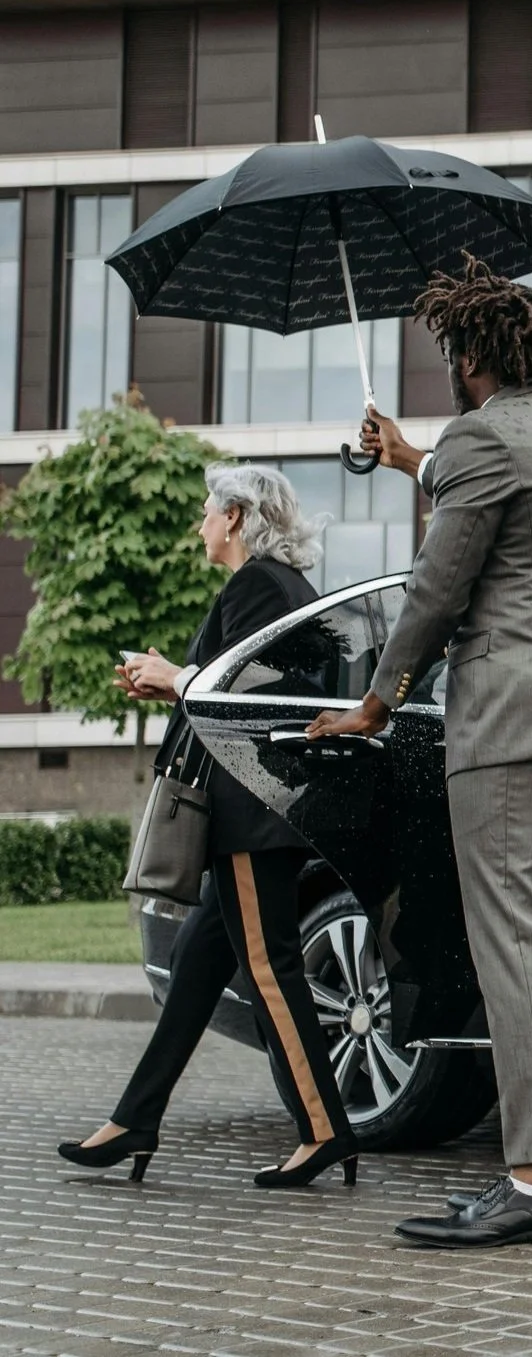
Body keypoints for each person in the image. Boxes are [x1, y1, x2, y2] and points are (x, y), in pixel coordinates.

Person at [308, 256, 532, 1249]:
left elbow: (435, 591)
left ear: (470, 359)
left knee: (515, 939)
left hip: (510, 716)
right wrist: (411, 458)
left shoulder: (482, 438)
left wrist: (377, 702)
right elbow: (486, 485)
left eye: (452, 353)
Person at [59, 464, 358, 1189]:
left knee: (270, 968)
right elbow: (248, 687)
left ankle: (325, 1130)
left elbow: (251, 703)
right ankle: (136, 1119)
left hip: (252, 813)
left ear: (235, 516)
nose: (199, 524)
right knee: (196, 968)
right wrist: (174, 678)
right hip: (260, 810)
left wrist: (176, 677)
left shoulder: (257, 585)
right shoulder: (284, 588)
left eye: (205, 511)